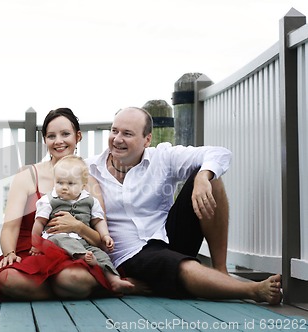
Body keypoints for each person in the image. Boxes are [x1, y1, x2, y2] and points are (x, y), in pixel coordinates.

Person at [86, 106, 282, 304]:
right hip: (131, 254)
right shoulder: (89, 168)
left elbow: (219, 154)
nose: (117, 139)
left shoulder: (162, 157)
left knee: (211, 177)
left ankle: (221, 271)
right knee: (181, 265)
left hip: (167, 235)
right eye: (114, 131)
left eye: (127, 133)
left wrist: (203, 176)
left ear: (147, 139)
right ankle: (252, 290)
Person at [0, 108, 112, 302]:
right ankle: (62, 290)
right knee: (8, 279)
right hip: (32, 250)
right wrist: (9, 253)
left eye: (65, 134)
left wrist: (77, 226)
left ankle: (63, 286)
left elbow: (100, 240)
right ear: (45, 140)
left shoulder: (90, 183)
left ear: (78, 137)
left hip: (75, 252)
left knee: (75, 278)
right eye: (51, 136)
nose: (58, 141)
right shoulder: (27, 175)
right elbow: (10, 227)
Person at [30, 155, 134, 293]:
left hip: (83, 241)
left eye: (71, 184)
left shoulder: (90, 201)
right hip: (56, 238)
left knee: (101, 255)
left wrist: (105, 236)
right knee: (61, 238)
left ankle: (114, 280)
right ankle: (82, 256)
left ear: (83, 185)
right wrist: (36, 244)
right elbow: (39, 223)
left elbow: (98, 220)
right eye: (60, 182)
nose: (64, 187)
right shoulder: (49, 200)